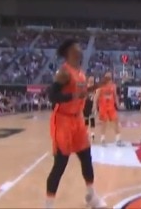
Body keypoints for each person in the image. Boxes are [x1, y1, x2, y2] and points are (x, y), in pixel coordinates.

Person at [46, 39, 106, 209]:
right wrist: (72, 97)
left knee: (86, 158)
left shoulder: (80, 73)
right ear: (70, 52)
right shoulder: (64, 73)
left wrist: (99, 85)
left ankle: (91, 196)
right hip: (63, 120)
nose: (81, 48)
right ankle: (48, 205)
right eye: (77, 46)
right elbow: (52, 95)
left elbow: (82, 93)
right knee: (60, 164)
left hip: (77, 119)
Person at [94, 71, 122, 146]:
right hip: (103, 107)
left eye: (110, 76)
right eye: (107, 76)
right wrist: (94, 107)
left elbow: (115, 95)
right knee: (104, 123)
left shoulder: (113, 86)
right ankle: (102, 139)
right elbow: (96, 96)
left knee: (115, 121)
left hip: (111, 107)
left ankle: (118, 139)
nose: (109, 77)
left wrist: (118, 104)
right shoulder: (100, 86)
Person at [83, 76, 96, 143]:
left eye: (92, 80)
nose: (91, 81)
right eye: (90, 79)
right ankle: (86, 134)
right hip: (85, 104)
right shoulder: (85, 87)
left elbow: (94, 97)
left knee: (92, 120)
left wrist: (94, 106)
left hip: (91, 104)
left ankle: (92, 134)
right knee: (86, 120)